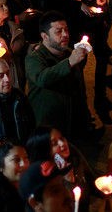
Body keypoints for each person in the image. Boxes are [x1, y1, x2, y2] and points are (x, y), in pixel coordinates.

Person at [25, 11, 90, 140]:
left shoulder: (70, 54)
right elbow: (42, 79)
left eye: (66, 30)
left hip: (72, 123)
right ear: (45, 36)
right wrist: (69, 63)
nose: (65, 35)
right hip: (50, 125)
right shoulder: (34, 59)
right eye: (58, 32)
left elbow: (79, 87)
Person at [74, 0, 112, 120]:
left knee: (103, 56)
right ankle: (80, 102)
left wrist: (99, 1)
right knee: (81, 63)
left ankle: (100, 97)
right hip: (85, 25)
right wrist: (86, 5)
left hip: (97, 22)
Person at [26, 126, 100, 212]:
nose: (62, 143)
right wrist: (68, 181)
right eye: (54, 143)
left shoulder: (72, 154)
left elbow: (91, 179)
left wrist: (105, 188)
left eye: (62, 138)